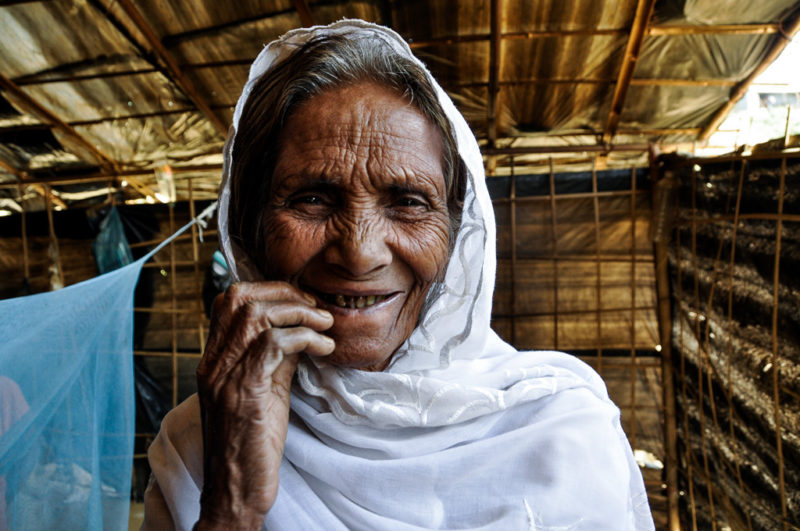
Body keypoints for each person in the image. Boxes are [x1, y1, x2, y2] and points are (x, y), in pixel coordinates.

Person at [143, 20, 654, 530]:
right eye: (313, 199)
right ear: (251, 229)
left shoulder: (560, 433)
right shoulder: (203, 441)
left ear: (458, 234)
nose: (361, 254)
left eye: (408, 202)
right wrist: (233, 504)